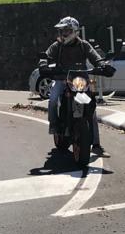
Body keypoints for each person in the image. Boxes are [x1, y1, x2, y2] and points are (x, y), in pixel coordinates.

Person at [43, 16, 106, 154]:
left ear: (75, 31)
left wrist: (101, 64)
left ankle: (96, 144)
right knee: (53, 99)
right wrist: (43, 63)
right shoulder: (57, 45)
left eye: (67, 30)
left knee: (91, 110)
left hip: (79, 81)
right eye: (62, 30)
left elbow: (94, 56)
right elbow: (47, 56)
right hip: (61, 79)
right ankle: (54, 126)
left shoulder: (83, 45)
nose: (63, 33)